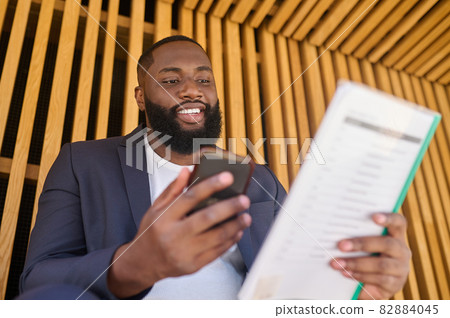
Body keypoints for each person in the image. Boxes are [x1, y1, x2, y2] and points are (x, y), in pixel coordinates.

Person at [19, 35, 410, 300]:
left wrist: (356, 286)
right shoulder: (84, 162)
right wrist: (131, 266)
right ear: (141, 97)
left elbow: (293, 282)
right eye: (171, 79)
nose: (192, 89)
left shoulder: (260, 180)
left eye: (203, 78)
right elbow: (38, 278)